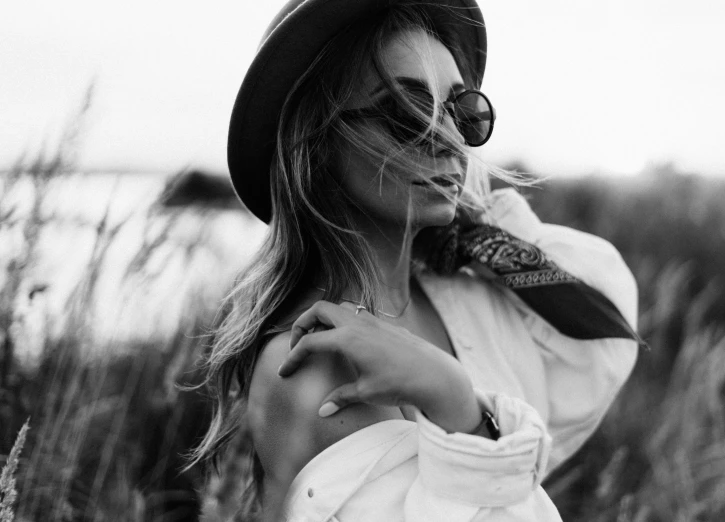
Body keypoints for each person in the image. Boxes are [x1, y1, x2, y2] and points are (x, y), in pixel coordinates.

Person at [189, 0, 640, 520]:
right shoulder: (317, 367)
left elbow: (604, 327)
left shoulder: (464, 294)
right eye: (407, 113)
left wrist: (482, 232)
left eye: (463, 111)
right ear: (315, 139)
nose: (449, 139)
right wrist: (458, 408)